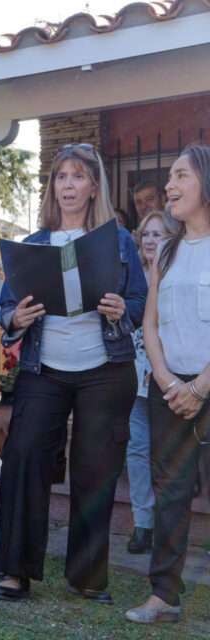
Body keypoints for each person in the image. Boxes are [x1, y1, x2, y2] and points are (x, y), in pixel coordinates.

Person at [0, 143, 146, 603]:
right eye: (61, 177)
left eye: (78, 177)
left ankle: (87, 576)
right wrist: (15, 318)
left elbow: (138, 300)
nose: (69, 185)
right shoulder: (34, 245)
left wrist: (122, 309)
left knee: (95, 472)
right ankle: (15, 572)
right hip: (45, 368)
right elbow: (5, 305)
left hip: (106, 370)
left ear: (94, 184)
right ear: (53, 187)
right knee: (24, 460)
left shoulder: (117, 241)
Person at [126, 144, 210, 625]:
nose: (170, 187)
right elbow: (150, 323)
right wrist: (164, 379)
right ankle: (164, 595)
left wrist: (200, 386)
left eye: (180, 176)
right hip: (169, 389)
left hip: (203, 387)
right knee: (171, 494)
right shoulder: (168, 251)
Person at [125, 210, 175, 555]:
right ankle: (143, 524)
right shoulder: (130, 278)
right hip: (133, 379)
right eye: (147, 234)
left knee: (170, 453)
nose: (151, 240)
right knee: (137, 450)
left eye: (159, 234)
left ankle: (171, 524)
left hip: (169, 378)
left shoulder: (176, 275)